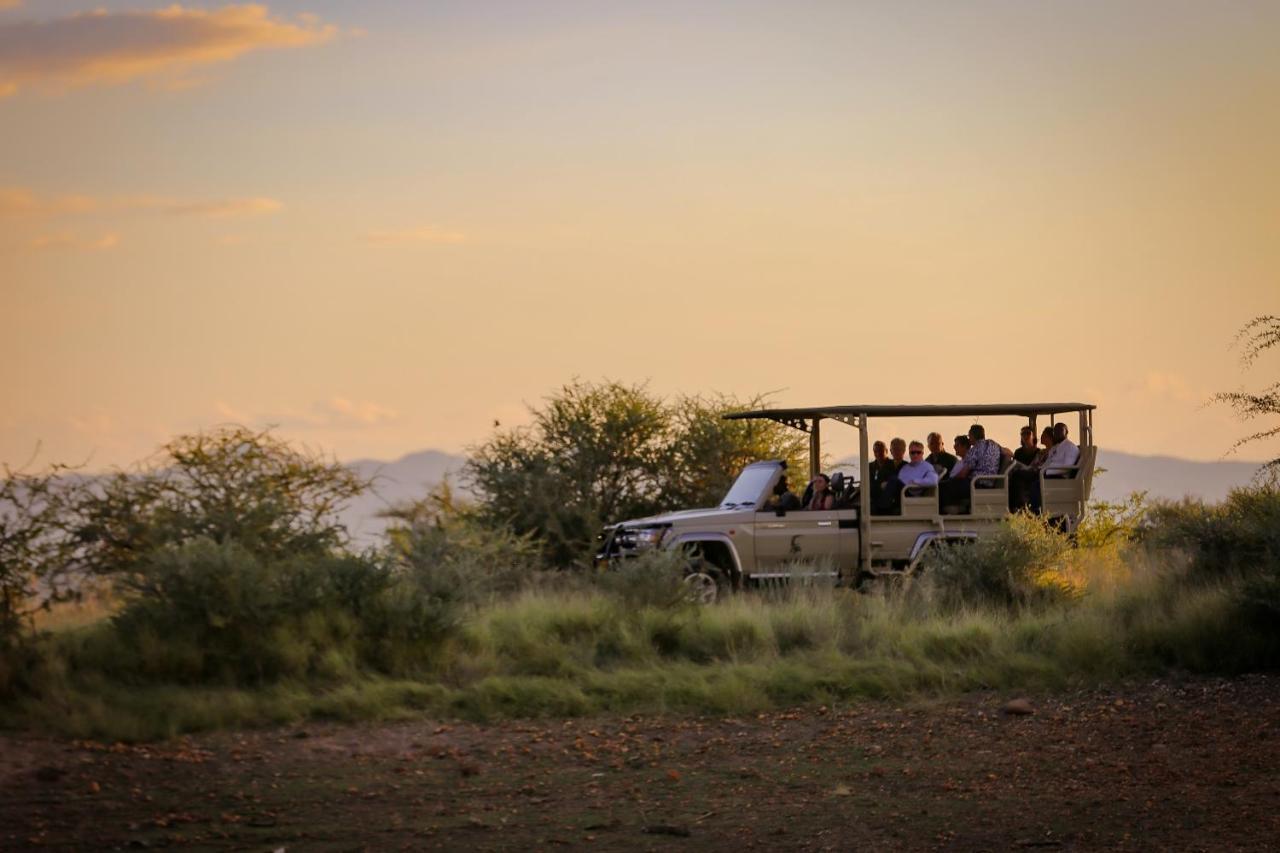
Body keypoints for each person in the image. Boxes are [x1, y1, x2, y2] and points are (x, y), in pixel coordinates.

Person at [941, 425, 1001, 513]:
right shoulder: (993, 444)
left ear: (973, 436)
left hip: (977, 483)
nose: (969, 439)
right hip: (990, 482)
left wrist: (951, 480)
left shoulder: (974, 449)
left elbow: (963, 474)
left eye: (969, 437)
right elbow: (1009, 453)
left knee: (943, 487)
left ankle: (951, 511)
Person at [876, 441, 939, 515]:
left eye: (918, 452)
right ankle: (877, 505)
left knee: (893, 479)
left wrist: (915, 481)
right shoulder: (905, 468)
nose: (915, 455)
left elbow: (933, 480)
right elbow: (900, 481)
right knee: (884, 483)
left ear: (922, 453)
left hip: (913, 493)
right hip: (903, 492)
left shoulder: (927, 466)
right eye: (912, 452)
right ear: (909, 454)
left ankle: (881, 508)